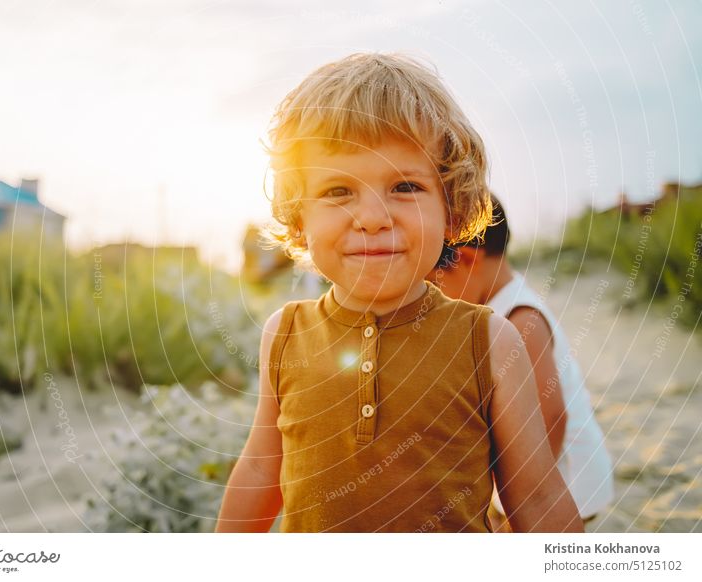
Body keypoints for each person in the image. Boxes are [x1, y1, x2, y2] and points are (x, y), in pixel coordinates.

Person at [215, 53, 582, 533]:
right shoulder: (283, 334)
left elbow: (536, 497)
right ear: (299, 218)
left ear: (451, 209)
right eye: (338, 191)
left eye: (405, 186)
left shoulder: (490, 340)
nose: (372, 217)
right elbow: (262, 471)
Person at [427, 196, 614, 526]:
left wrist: (525, 506)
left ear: (467, 259)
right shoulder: (502, 304)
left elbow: (550, 415)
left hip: (568, 484)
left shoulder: (520, 319)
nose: (434, 296)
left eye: (433, 281)